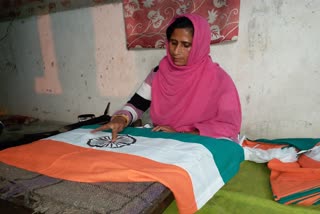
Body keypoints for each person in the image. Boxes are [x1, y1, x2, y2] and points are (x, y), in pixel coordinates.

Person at [92, 13, 242, 142]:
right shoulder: (159, 72)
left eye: (186, 45)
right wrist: (121, 119)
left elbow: (228, 127)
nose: (176, 51)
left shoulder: (219, 79)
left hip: (200, 141)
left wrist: (182, 134)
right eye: (173, 43)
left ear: (199, 45)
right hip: (165, 139)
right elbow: (136, 105)